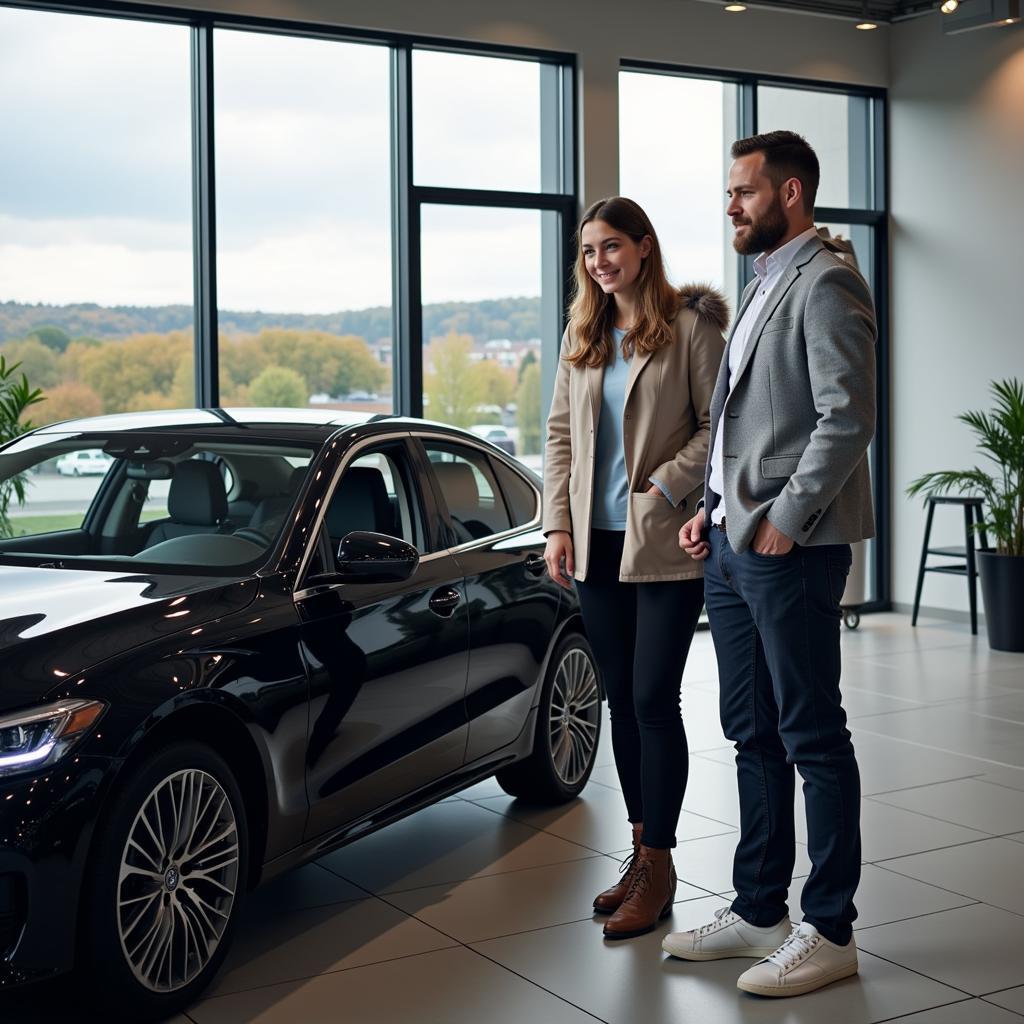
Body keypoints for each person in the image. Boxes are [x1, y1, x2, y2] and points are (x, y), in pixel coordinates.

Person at [667, 131, 876, 997]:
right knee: (751, 732)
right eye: (728, 191)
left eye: (743, 192)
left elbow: (848, 416)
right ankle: (759, 908)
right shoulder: (763, 284)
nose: (730, 205)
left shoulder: (825, 281)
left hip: (786, 549)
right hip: (732, 539)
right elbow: (741, 418)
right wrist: (711, 510)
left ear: (790, 193)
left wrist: (784, 520)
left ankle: (830, 929)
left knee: (812, 735)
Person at [542, 196, 727, 940]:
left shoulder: (688, 330)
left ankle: (660, 862)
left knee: (654, 698)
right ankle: (641, 849)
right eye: (589, 251)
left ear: (645, 248)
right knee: (619, 699)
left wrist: (667, 485)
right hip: (595, 542)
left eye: (612, 246)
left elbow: (722, 424)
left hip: (661, 543)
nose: (599, 262)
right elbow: (558, 434)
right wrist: (558, 522)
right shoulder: (583, 332)